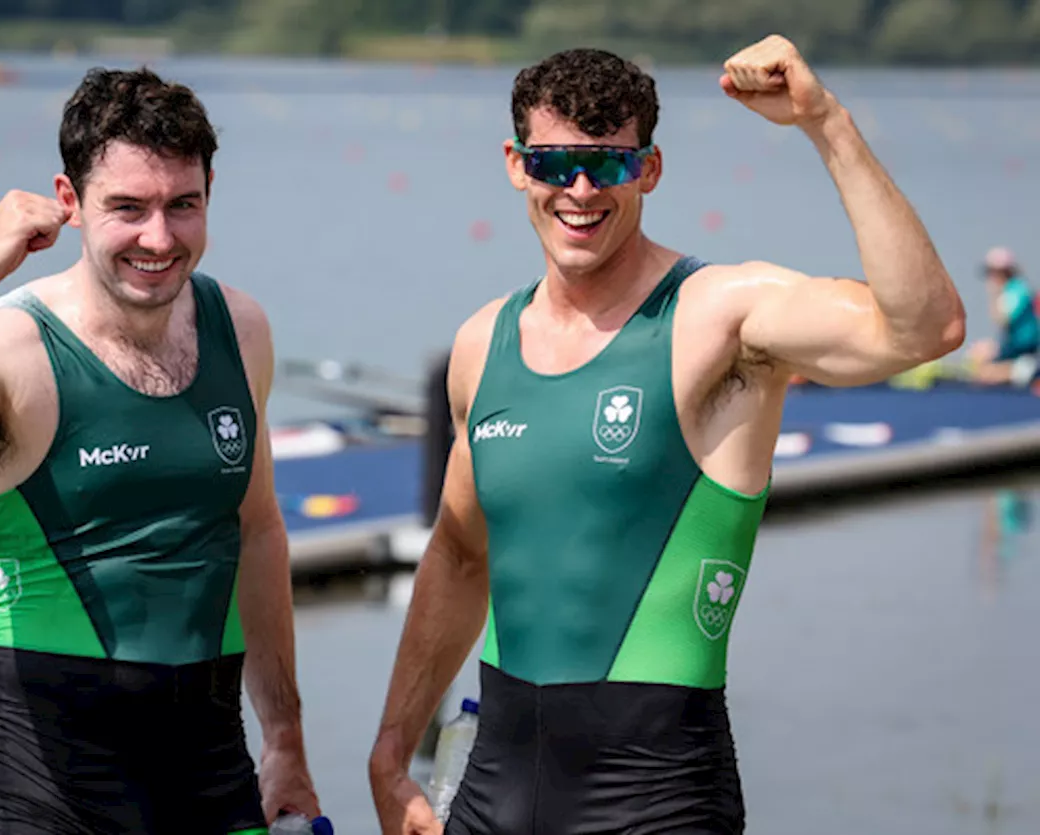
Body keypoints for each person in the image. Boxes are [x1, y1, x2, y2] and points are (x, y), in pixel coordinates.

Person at [368, 36, 964, 835]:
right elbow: (459, 554)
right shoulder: (482, 343)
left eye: (609, 165)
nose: (580, 189)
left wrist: (826, 122)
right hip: (492, 788)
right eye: (554, 165)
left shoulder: (719, 314)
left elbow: (926, 327)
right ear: (517, 165)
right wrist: (390, 751)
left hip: (655, 797)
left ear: (648, 170)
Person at [0, 67, 320, 834]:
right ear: (69, 202)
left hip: (213, 778)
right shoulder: (11, 347)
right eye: (127, 208)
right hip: (52, 795)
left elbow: (258, 530)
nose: (158, 238)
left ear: (209, 194)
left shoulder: (241, 327)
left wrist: (286, 740)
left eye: (182, 206)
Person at [968, 247, 1039, 387]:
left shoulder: (1017, 290)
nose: (990, 278)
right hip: (1015, 348)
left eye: (993, 273)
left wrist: (994, 294)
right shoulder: (1013, 289)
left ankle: (1025, 371)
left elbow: (1002, 320)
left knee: (986, 373)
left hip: (1024, 349)